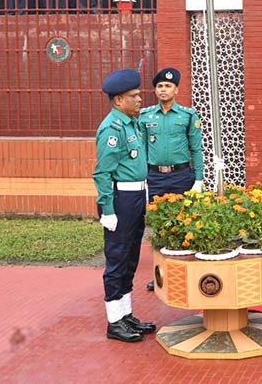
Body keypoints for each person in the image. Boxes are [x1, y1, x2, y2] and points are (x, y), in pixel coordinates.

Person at [92, 69, 156, 343]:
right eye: (133, 96)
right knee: (117, 259)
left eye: (138, 94)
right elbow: (102, 173)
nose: (140, 99)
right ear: (118, 100)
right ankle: (114, 321)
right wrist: (107, 210)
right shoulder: (112, 129)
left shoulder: (131, 123)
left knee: (131, 257)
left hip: (136, 197)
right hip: (120, 200)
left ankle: (126, 314)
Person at [139, 67, 203, 291]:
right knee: (159, 227)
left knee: (186, 224)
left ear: (176, 89)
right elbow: (142, 149)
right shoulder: (146, 116)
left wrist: (199, 180)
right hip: (155, 176)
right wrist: (143, 179)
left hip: (181, 176)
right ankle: (161, 275)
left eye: (167, 86)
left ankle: (186, 274)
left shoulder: (187, 115)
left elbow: (197, 150)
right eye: (159, 86)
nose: (163, 90)